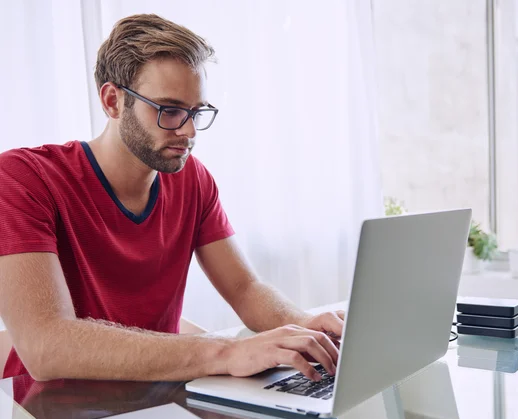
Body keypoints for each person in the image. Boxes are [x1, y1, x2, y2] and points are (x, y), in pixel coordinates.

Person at [0, 14, 344, 382]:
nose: (189, 131)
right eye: (170, 110)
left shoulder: (192, 178)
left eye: (197, 111)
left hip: (160, 391)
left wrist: (305, 325)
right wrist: (226, 352)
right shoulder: (23, 178)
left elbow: (245, 289)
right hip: (57, 409)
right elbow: (45, 347)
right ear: (113, 101)